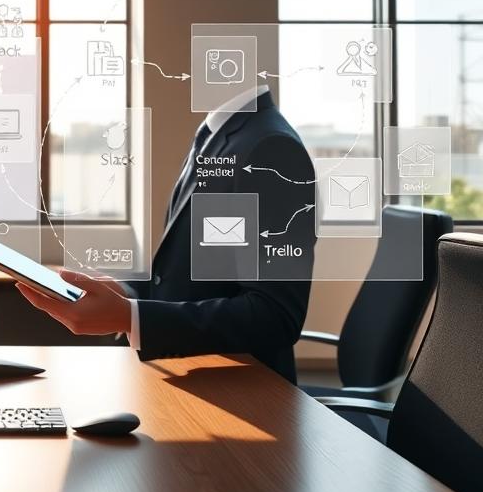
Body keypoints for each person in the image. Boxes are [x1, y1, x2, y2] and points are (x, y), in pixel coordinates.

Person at [17, 86, 316, 382]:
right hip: (201, 380)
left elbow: (275, 315)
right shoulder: (217, 136)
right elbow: (202, 277)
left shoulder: (271, 146)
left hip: (251, 399)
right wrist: (126, 291)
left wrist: (131, 316)